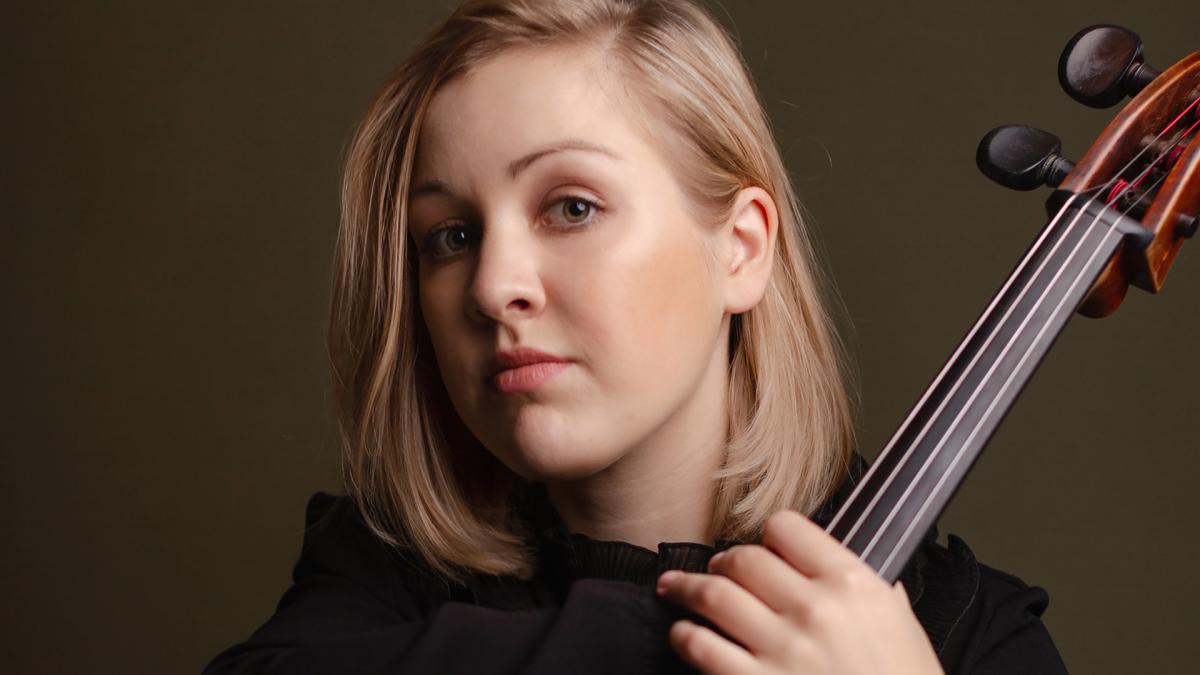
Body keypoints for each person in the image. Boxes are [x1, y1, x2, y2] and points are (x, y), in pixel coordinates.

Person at [204, 0, 1068, 673]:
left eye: (571, 207)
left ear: (740, 249)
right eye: (451, 236)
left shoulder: (960, 637)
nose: (495, 285)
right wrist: (694, 629)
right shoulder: (382, 582)